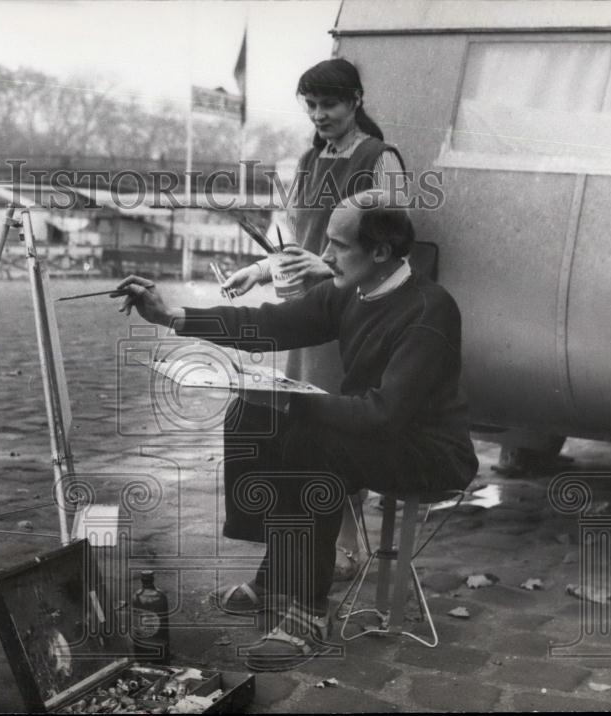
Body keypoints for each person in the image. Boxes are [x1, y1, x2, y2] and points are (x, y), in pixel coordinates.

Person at [116, 190, 478, 672]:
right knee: (250, 413)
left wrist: (293, 402)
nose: (324, 256)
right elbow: (272, 323)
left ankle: (308, 613)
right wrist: (172, 316)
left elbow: (384, 415)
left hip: (430, 451)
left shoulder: (429, 310)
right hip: (377, 433)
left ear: (381, 252)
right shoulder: (351, 288)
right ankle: (277, 575)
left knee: (313, 441)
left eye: (338, 245)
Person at [223, 58, 407, 577]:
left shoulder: (379, 158)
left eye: (329, 104)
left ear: (355, 102)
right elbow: (294, 238)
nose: (319, 114)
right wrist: (261, 270)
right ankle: (308, 542)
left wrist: (326, 265)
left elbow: (390, 243)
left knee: (333, 422)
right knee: (293, 420)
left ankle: (343, 546)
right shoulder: (308, 159)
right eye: (311, 104)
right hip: (305, 313)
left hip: (352, 312)